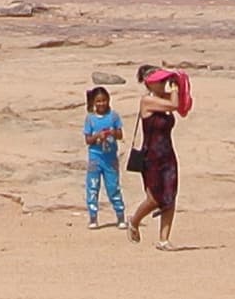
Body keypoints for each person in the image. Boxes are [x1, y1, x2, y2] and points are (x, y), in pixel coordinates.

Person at [128, 62, 191, 245]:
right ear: (149, 83)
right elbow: (174, 104)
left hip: (167, 154)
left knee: (170, 197)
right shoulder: (147, 101)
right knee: (154, 198)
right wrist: (174, 88)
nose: (164, 83)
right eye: (160, 81)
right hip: (152, 156)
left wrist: (181, 83)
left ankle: (164, 239)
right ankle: (134, 221)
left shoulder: (165, 98)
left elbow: (182, 107)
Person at [80, 84, 126, 228]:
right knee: (93, 187)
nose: (101, 104)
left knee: (113, 187)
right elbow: (87, 140)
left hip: (110, 158)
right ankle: (93, 217)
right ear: (94, 102)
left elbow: (120, 135)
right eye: (98, 101)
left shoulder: (114, 116)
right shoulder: (90, 119)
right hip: (95, 158)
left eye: (104, 100)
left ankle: (120, 216)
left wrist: (112, 133)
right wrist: (97, 136)